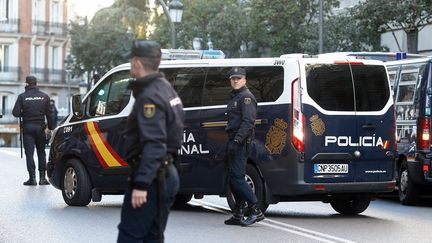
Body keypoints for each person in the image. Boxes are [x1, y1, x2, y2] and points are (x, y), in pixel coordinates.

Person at [117, 40, 184, 242]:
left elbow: (154, 144)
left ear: (137, 62)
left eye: (131, 61)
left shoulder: (149, 97)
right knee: (153, 237)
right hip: (166, 174)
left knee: (131, 236)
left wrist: (141, 184)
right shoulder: (166, 88)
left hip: (154, 177)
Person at [224, 67, 264, 226]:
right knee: (232, 178)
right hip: (234, 140)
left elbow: (248, 122)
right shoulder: (235, 96)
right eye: (233, 78)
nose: (235, 81)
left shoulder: (246, 97)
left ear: (245, 80)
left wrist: (237, 141)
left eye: (238, 78)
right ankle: (238, 212)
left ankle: (256, 209)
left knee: (238, 178)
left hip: (240, 142)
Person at [12, 75, 54, 186]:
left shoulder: (22, 97)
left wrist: (24, 113)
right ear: (36, 84)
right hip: (40, 127)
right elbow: (50, 114)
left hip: (28, 128)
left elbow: (15, 113)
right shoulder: (44, 97)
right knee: (41, 152)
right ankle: (42, 178)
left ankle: (32, 179)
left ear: (26, 84)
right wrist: (51, 127)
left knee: (29, 154)